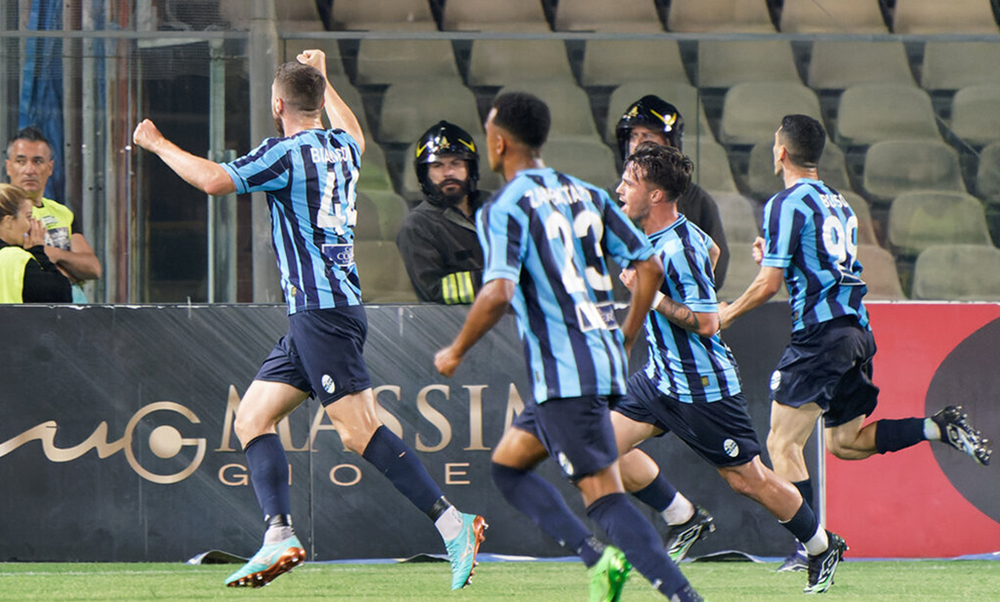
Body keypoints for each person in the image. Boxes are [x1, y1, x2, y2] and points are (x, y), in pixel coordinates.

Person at [132, 49, 486, 590]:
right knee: (251, 418)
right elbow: (355, 130)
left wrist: (155, 143)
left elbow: (212, 181)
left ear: (277, 105)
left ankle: (451, 522)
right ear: (319, 100)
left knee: (358, 432)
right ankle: (278, 535)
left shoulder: (284, 154)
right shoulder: (343, 148)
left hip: (322, 314)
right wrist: (325, 76)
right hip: (323, 312)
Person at [435, 91, 703, 602]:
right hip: (595, 361)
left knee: (604, 498)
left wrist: (456, 351)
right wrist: (627, 333)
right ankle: (594, 558)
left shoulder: (503, 207)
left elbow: (497, 292)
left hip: (566, 374)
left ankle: (683, 596)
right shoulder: (586, 193)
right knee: (508, 466)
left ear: (499, 142)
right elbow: (648, 266)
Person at [718, 114, 992, 571]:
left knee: (781, 446)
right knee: (843, 442)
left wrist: (725, 313)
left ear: (781, 152)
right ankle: (936, 427)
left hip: (820, 336)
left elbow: (768, 286)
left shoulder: (785, 202)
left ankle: (811, 549)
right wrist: (776, 256)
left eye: (773, 145)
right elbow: (816, 260)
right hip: (857, 333)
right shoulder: (839, 203)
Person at [612, 141, 846, 594]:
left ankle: (821, 545)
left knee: (748, 480)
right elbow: (714, 253)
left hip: (702, 388)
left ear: (657, 195)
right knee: (597, 448)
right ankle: (683, 517)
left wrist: (654, 297)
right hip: (661, 379)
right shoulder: (676, 237)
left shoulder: (677, 248)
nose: (620, 188)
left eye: (630, 182)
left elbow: (705, 322)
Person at [616, 95, 729, 289]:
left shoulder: (697, 201)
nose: (638, 143)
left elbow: (715, 258)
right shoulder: (610, 197)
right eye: (634, 136)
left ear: (670, 143)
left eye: (648, 136)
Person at [5, 126, 102, 303]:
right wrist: (66, 273)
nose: (29, 170)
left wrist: (57, 254)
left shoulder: (62, 212)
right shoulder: (4, 209)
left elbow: (93, 268)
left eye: (37, 161)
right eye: (21, 161)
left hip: (71, 312)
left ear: (50, 168)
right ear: (8, 166)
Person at [396, 121, 484, 304]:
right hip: (456, 326)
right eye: (437, 166)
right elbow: (433, 290)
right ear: (424, 174)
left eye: (456, 163)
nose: (448, 172)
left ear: (471, 168)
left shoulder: (497, 208)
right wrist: (499, 280)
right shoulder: (418, 226)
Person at [0, 183, 72, 303]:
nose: (32, 225)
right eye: (29, 217)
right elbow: (61, 296)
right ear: (8, 222)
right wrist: (38, 252)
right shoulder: (15, 258)